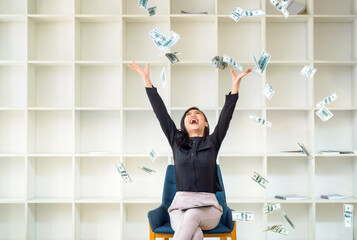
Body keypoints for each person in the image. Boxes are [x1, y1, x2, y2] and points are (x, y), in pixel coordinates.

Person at [127, 60, 252, 240]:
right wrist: (147, 81)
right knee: (195, 234)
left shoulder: (213, 142)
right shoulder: (176, 140)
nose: (192, 115)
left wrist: (235, 88)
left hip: (209, 210)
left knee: (192, 216)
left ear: (206, 123)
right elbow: (160, 113)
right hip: (179, 207)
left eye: (197, 114)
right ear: (184, 124)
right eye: (188, 115)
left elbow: (226, 117)